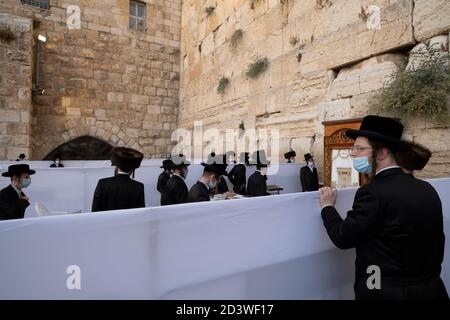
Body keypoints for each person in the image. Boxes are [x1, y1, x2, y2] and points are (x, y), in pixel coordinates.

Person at [319, 115, 448, 300]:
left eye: (360, 148)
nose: (353, 153)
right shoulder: (427, 189)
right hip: (432, 290)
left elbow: (343, 237)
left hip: (387, 292)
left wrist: (327, 207)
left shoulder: (372, 193)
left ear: (381, 153)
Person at [92, 147, 145, 212]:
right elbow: (140, 212)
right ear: (132, 170)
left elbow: (95, 210)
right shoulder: (139, 186)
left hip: (106, 221)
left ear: (116, 167)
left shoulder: (102, 183)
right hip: (128, 222)